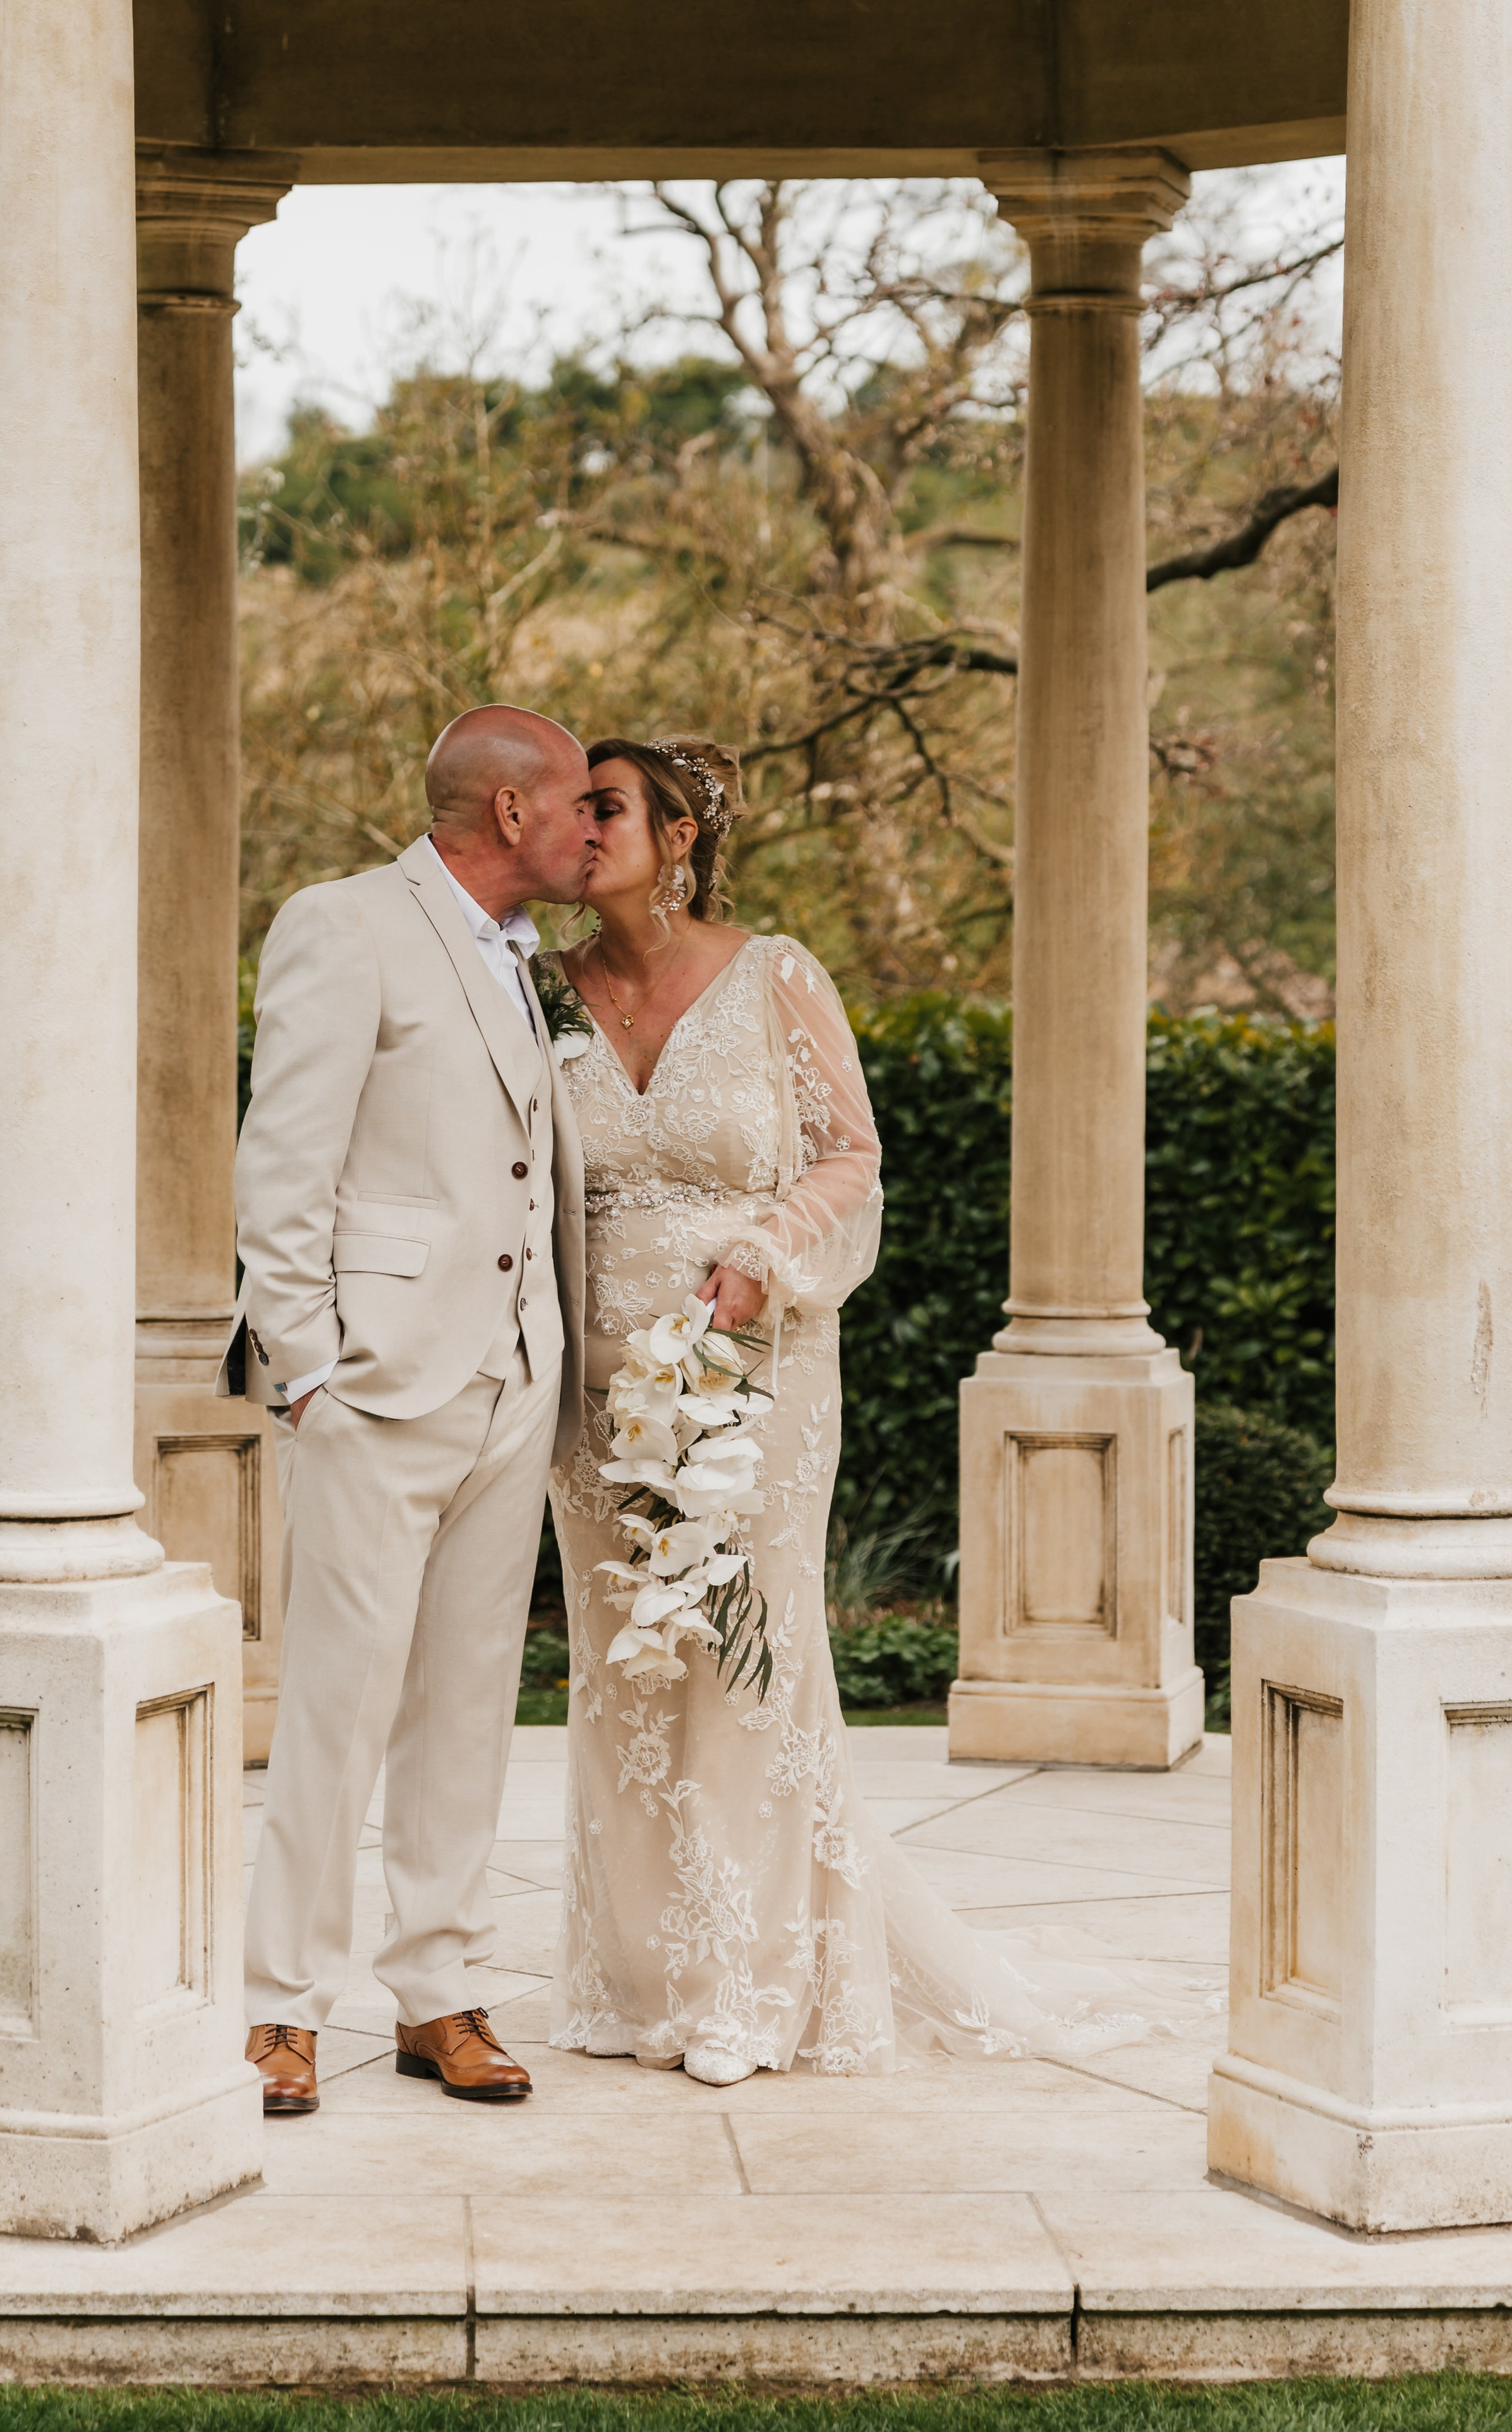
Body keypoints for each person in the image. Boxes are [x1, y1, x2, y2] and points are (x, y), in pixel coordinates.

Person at [543, 734, 1216, 2084]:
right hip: (598, 1383)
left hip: (758, 1365)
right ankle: (639, 1977)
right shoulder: (541, 993)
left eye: (604, 806)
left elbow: (850, 1152)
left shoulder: (776, 975)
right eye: (569, 810)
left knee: (746, 1655)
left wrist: (766, 1257)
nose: (578, 829)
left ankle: (750, 1981)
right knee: (625, 1667)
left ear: (679, 836)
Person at [219, 704, 596, 2115]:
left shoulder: (523, 960)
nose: (588, 830)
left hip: (514, 1377)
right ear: (507, 812)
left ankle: (437, 1987)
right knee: (339, 1700)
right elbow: (284, 1161)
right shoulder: (345, 923)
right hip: (377, 1384)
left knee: (466, 1704)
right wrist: (309, 1369)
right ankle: (281, 2007)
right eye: (573, 805)